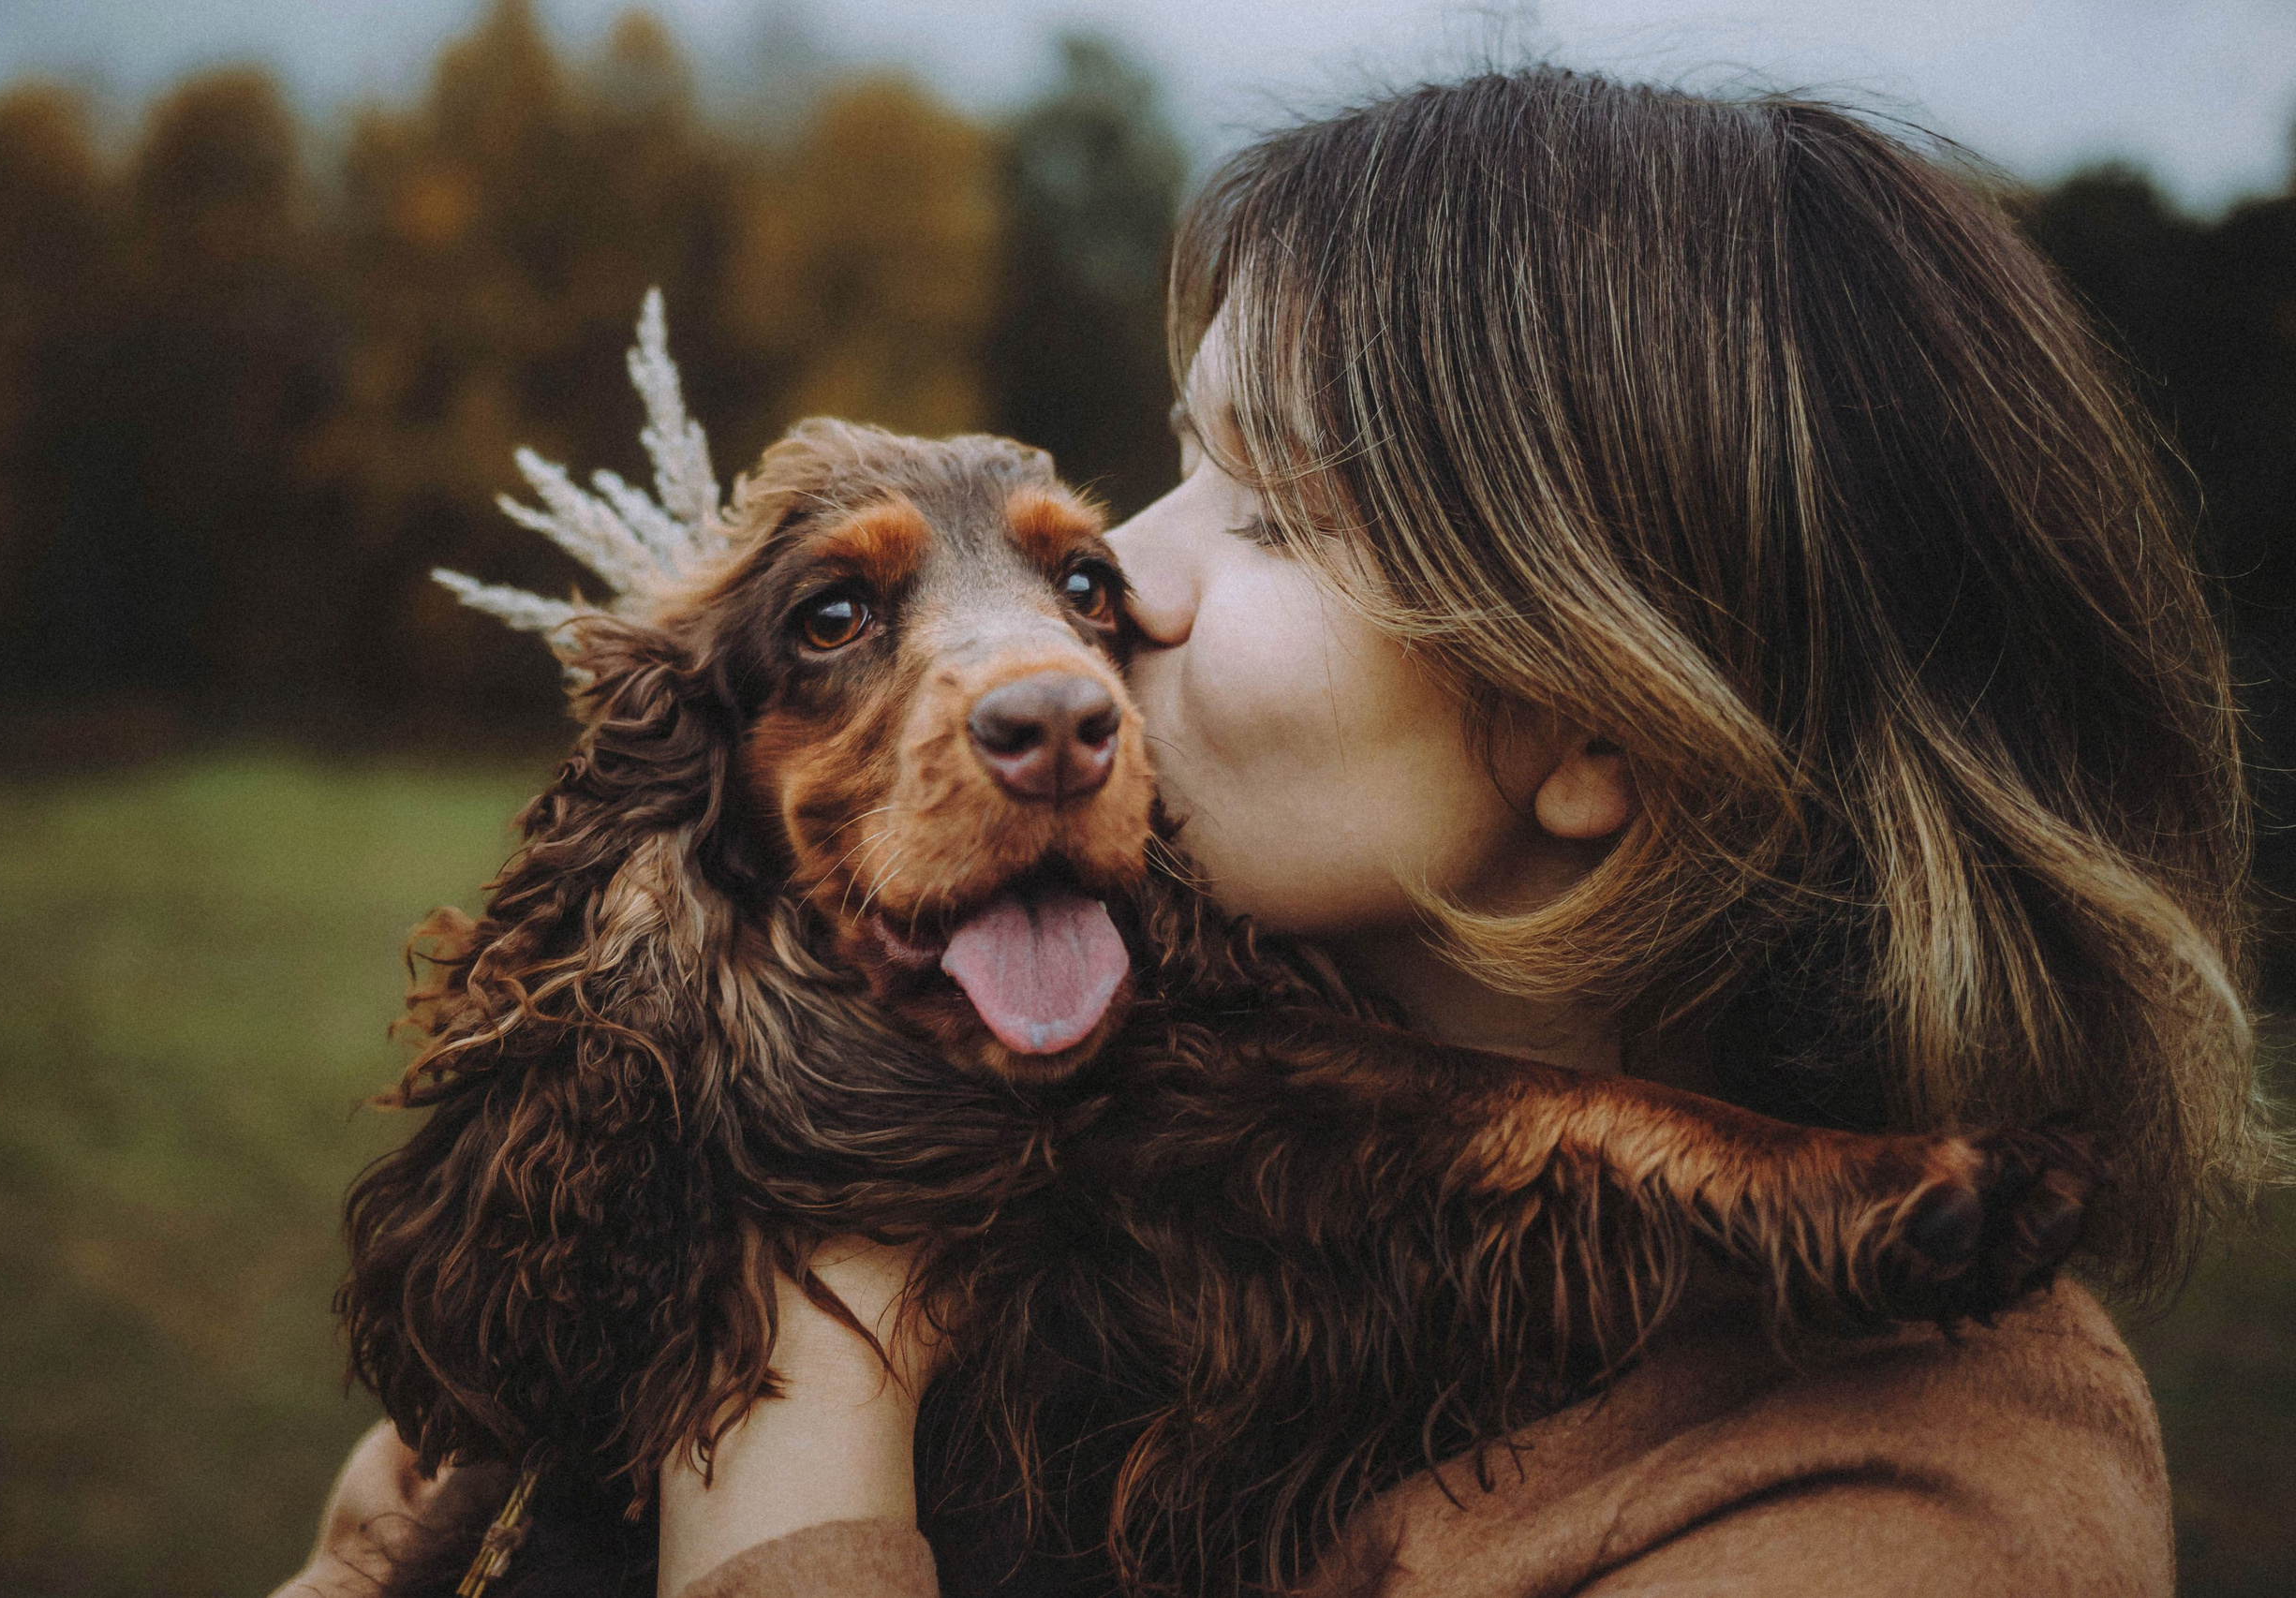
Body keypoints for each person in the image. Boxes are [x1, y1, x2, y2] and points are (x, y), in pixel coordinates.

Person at [277, 67, 2273, 1598]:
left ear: (1589, 716)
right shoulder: (1028, 1051)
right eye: (1168, 467)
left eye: (1273, 512)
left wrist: (796, 1390)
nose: (1107, 602)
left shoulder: (1915, 1501)